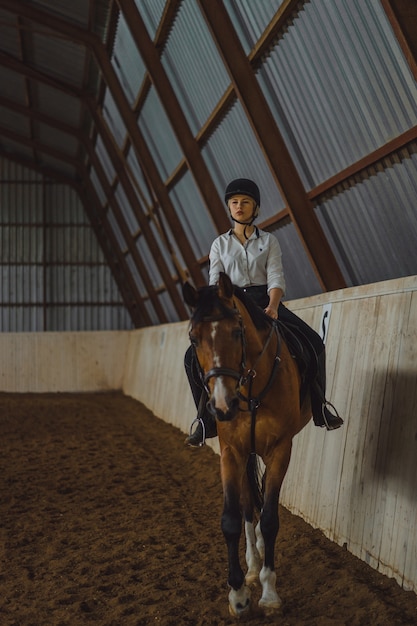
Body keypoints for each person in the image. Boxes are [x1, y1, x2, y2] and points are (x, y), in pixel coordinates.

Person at [184, 178, 343, 446]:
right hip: (231, 304)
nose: (239, 207)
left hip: (266, 302)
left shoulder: (269, 241)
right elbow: (215, 282)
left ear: (255, 208)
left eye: (245, 202)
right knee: (191, 358)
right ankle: (204, 420)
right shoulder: (219, 245)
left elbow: (276, 277)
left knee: (314, 343)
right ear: (229, 208)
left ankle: (320, 408)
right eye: (234, 202)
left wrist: (272, 305)